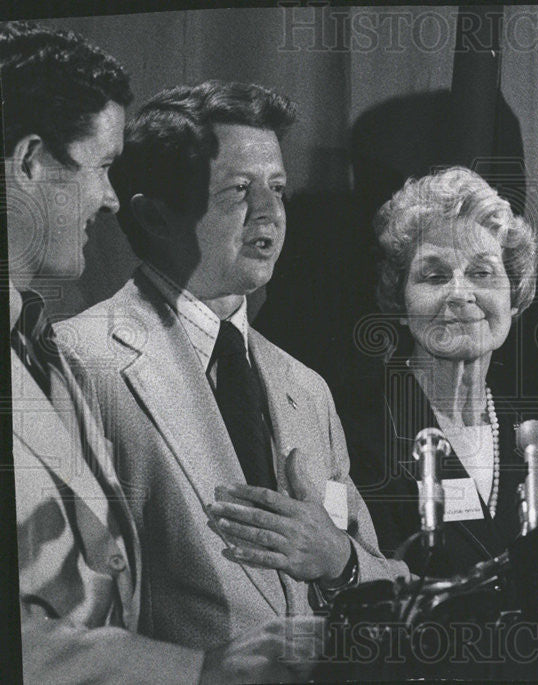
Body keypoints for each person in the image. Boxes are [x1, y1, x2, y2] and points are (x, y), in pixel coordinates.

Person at [5, 22, 321, 683]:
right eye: (101, 168)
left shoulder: (42, 352)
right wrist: (197, 669)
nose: (112, 199)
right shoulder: (83, 354)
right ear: (31, 161)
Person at [55, 79, 407, 651]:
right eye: (238, 190)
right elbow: (64, 628)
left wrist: (338, 559)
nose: (269, 213)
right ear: (155, 216)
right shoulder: (77, 363)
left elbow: (387, 582)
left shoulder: (306, 388)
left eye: (278, 189)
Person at [341, 166, 538, 576]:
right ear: (399, 301)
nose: (461, 294)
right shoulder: (358, 431)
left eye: (482, 273)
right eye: (435, 275)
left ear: (513, 297)